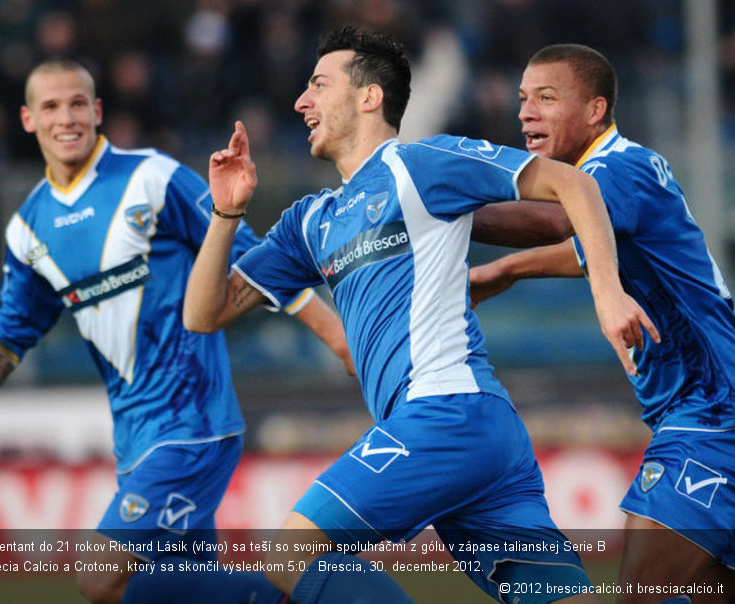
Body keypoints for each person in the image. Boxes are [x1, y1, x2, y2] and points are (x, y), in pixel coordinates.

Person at [183, 26, 658, 604]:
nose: (300, 102)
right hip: (476, 432)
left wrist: (607, 294)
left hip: (444, 413)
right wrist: (225, 213)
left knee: (292, 552)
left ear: (368, 97)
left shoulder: (420, 164)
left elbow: (576, 186)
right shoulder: (310, 221)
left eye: (318, 85)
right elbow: (204, 314)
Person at [0, 57, 354, 604]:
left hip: (192, 425)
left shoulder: (153, 177)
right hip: (135, 441)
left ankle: (319, 593)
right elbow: (13, 329)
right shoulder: (28, 226)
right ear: (28, 119)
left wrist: (332, 332)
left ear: (98, 110)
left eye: (78, 103)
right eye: (51, 106)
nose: (67, 117)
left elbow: (253, 262)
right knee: (171, 595)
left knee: (101, 578)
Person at [468, 44, 735, 604]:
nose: (525, 113)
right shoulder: (616, 178)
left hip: (712, 417)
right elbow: (587, 246)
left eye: (546, 97)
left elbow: (560, 221)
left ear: (595, 109)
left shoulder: (615, 170)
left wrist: (437, 206)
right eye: (522, 99)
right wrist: (509, 269)